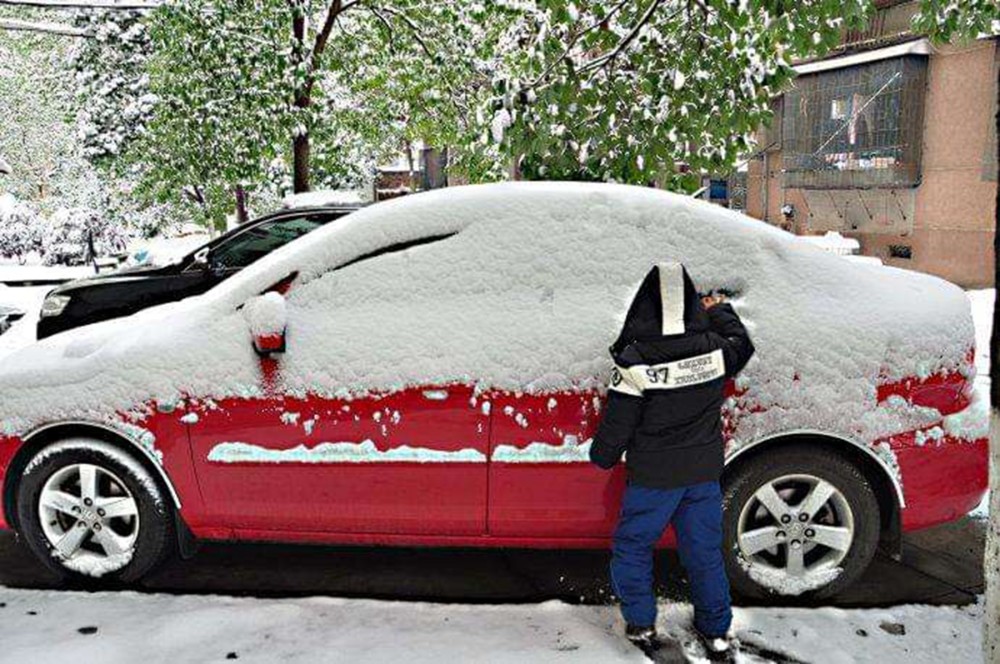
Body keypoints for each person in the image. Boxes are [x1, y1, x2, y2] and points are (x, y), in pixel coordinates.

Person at [589, 262, 755, 661]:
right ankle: (716, 630)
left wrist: (603, 456)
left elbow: (618, 424)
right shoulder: (715, 350)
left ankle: (642, 622)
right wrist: (718, 308)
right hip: (702, 476)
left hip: (652, 479)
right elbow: (741, 344)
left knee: (633, 546)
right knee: (703, 552)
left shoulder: (635, 360)